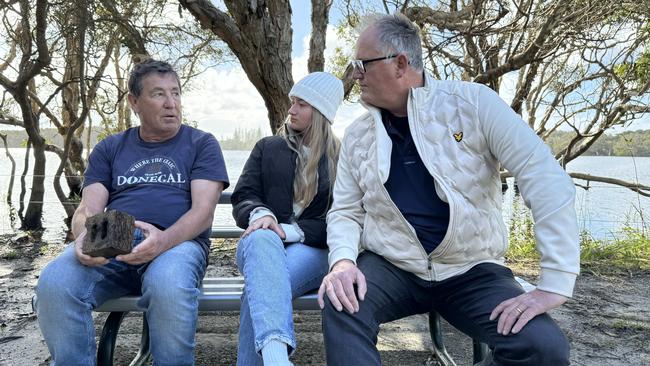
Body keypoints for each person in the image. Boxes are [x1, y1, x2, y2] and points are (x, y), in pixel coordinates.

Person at [317, 14, 580, 366]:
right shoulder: (357, 136)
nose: (355, 74)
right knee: (342, 300)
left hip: (471, 269)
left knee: (543, 349)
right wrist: (343, 262)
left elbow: (544, 176)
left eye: (361, 64)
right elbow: (346, 211)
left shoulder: (472, 104)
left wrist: (555, 282)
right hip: (393, 266)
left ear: (400, 64)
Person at [34, 59, 229, 365]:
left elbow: (203, 213)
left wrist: (162, 241)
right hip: (116, 236)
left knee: (167, 284)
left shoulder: (201, 143)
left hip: (177, 244)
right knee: (55, 283)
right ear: (134, 102)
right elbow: (88, 208)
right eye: (158, 94)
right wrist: (84, 235)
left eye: (176, 93)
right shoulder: (110, 148)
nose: (171, 103)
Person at [231, 72, 344, 366]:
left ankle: (273, 358)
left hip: (313, 250)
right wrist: (263, 214)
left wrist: (290, 232)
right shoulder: (268, 148)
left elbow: (343, 220)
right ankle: (277, 360)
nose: (291, 110)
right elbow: (243, 196)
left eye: (302, 104)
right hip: (258, 244)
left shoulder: (341, 158)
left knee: (259, 289)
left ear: (320, 113)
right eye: (292, 102)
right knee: (263, 240)